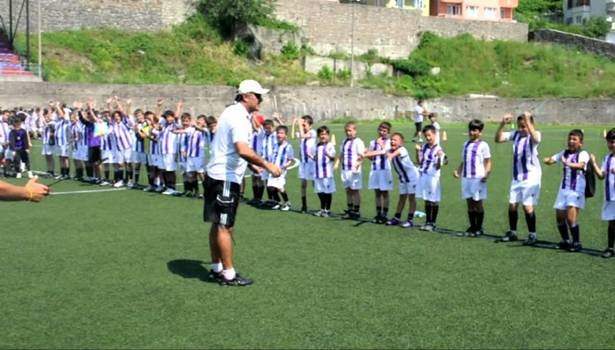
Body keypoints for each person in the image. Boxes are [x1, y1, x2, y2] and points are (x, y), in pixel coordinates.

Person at [204, 79, 281, 286]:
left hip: (218, 174)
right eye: (258, 95)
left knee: (217, 223)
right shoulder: (238, 117)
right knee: (225, 226)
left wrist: (250, 165)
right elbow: (242, 149)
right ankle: (228, 274)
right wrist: (266, 165)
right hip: (225, 178)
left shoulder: (233, 113)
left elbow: (230, 148)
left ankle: (216, 268)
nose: (261, 99)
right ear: (246, 96)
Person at [495, 112, 542, 245]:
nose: (522, 129)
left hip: (531, 176)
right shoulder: (515, 134)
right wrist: (502, 124)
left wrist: (528, 121)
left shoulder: (535, 134)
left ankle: (532, 235)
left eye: (524, 126)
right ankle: (513, 233)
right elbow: (497, 139)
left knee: (527, 207)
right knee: (512, 206)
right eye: (520, 126)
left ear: (530, 124)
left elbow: (536, 139)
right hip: (517, 177)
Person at [544, 129, 589, 252]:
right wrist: (547, 160)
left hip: (576, 190)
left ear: (581, 143)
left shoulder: (583, 154)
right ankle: (565, 241)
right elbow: (552, 159)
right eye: (570, 139)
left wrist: (567, 163)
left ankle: (577, 243)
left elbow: (580, 165)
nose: (571, 141)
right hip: (563, 189)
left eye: (574, 139)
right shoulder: (564, 153)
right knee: (559, 216)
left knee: (570, 218)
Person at [453, 119, 492, 237]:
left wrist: (486, 174)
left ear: (480, 132)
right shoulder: (465, 144)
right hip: (466, 178)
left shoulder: (483, 145)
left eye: (475, 130)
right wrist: (458, 171)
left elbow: (488, 162)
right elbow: (464, 161)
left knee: (477, 203)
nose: (471, 132)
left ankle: (479, 228)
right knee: (469, 203)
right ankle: (472, 226)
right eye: (470, 129)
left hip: (478, 178)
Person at [590, 128, 615, 258]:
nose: (612, 144)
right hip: (610, 196)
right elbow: (601, 176)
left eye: (614, 141)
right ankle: (610, 248)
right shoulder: (607, 158)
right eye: (610, 142)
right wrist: (594, 163)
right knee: (612, 223)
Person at [417, 125, 446, 232]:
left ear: (434, 134)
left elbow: (438, 166)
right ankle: (427, 221)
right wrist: (418, 152)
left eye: (429, 135)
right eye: (426, 136)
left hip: (433, 177)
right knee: (427, 199)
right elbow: (420, 161)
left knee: (433, 200)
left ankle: (432, 222)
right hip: (424, 175)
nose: (428, 138)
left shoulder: (438, 149)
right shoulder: (424, 147)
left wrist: (439, 158)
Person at [365, 122, 393, 224]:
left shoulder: (390, 142)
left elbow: (388, 154)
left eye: (384, 131)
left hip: (385, 170)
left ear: (388, 132)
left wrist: (381, 145)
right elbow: (371, 157)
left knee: (385, 193)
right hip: (375, 170)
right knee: (377, 193)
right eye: (380, 130)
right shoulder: (373, 142)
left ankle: (385, 214)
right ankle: (378, 213)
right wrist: (366, 154)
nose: (382, 133)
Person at [339, 121, 365, 220]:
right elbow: (342, 153)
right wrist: (338, 163)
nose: (348, 133)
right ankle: (350, 210)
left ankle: (356, 211)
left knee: (355, 190)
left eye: (350, 131)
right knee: (348, 190)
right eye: (346, 131)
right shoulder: (344, 141)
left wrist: (358, 165)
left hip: (353, 170)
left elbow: (362, 156)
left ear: (355, 131)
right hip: (345, 169)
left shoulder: (358, 142)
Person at [310, 125, 336, 217]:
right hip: (318, 174)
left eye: (325, 134)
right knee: (319, 191)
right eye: (321, 134)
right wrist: (311, 156)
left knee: (327, 192)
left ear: (328, 135)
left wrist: (329, 155)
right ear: (318, 136)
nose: (323, 136)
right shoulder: (315, 146)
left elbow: (333, 158)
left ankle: (327, 210)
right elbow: (315, 158)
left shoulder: (330, 146)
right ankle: (322, 209)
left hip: (327, 174)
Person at [267, 125, 294, 211]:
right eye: (278, 133)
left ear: (286, 135)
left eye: (281, 133)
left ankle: (287, 203)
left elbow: (290, 160)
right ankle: (279, 202)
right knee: (270, 187)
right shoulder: (275, 145)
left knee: (279, 187)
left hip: (281, 171)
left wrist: (284, 166)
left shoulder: (288, 147)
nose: (279, 135)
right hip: (273, 169)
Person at [294, 115, 316, 213]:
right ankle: (304, 205)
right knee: (303, 185)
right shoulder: (302, 132)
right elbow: (294, 136)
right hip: (303, 163)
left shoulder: (312, 132)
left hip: (311, 163)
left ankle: (324, 206)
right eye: (302, 125)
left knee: (315, 184)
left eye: (305, 125)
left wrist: (299, 124)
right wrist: (295, 124)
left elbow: (302, 135)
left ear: (310, 125)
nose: (303, 127)